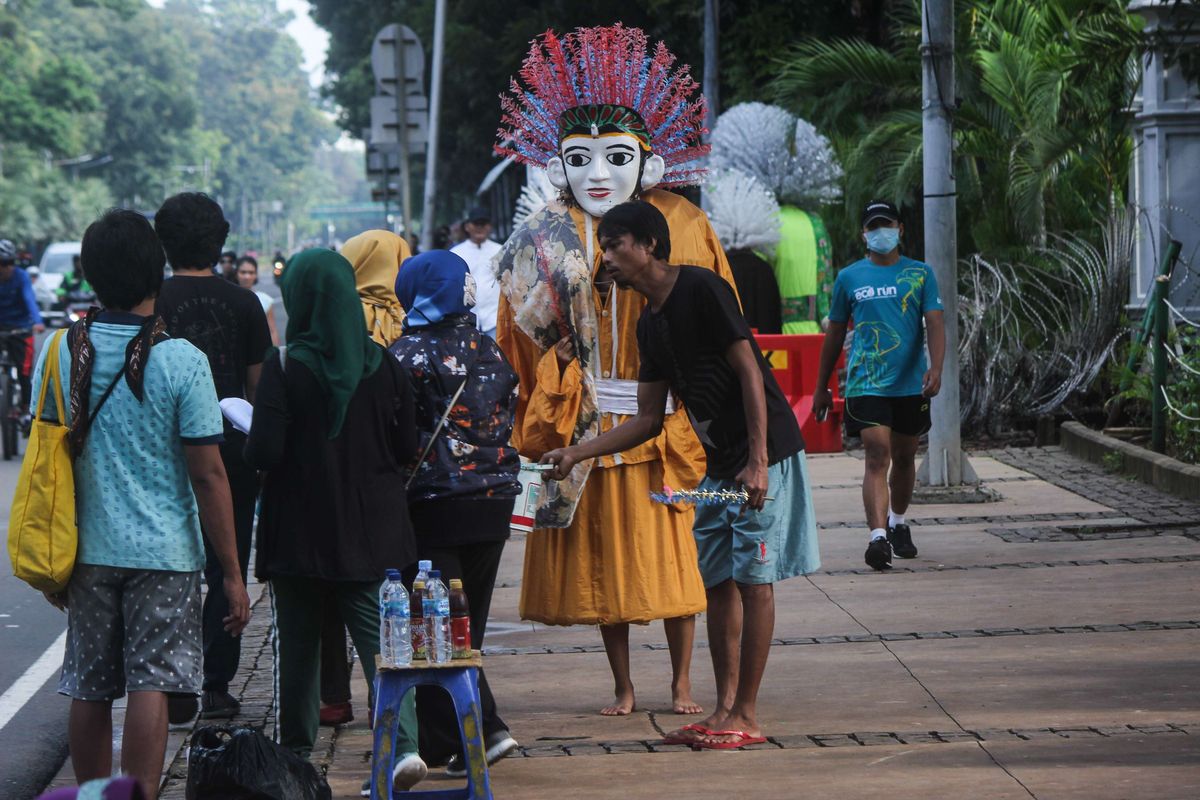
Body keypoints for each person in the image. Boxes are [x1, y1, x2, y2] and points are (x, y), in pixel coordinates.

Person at [494, 24, 733, 717]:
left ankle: (683, 682)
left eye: (617, 156)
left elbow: (719, 321)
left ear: (648, 164)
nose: (597, 173)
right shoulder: (546, 234)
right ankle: (624, 687)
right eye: (579, 158)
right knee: (605, 567)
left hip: (664, 425)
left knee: (675, 561)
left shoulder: (681, 225)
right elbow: (517, 335)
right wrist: (554, 364)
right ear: (558, 165)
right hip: (588, 419)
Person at [541, 200, 819, 749]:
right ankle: (722, 711)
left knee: (753, 581)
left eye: (615, 245)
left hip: (762, 454)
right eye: (604, 248)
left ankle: (748, 715)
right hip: (717, 464)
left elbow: (750, 373)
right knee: (715, 582)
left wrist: (758, 461)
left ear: (648, 244)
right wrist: (579, 452)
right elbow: (647, 419)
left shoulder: (702, 289)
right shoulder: (651, 323)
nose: (608, 259)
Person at [34, 209, 249, 799]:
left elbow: (48, 462)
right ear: (156, 276)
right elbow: (209, 477)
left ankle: (93, 794)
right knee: (151, 682)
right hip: (165, 553)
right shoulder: (183, 361)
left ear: (90, 276)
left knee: (89, 685)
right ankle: (140, 796)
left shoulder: (57, 353)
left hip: (86, 549)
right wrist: (231, 573)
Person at [244, 248, 425, 793]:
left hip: (299, 532)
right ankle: (404, 748)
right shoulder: (384, 365)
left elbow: (264, 453)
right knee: (383, 647)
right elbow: (406, 445)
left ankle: (296, 753)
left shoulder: (283, 367)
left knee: (296, 649)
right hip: (369, 532)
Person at [390, 250, 521, 775]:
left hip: (435, 506)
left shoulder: (406, 355)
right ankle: (448, 743)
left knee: (440, 628)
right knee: (468, 624)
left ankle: (488, 730)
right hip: (493, 504)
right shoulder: (491, 350)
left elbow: (397, 436)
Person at [154, 194, 272, 720]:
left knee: (172, 573)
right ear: (220, 242)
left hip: (163, 454)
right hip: (229, 458)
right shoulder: (245, 304)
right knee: (227, 567)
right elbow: (255, 390)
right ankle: (217, 686)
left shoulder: (150, 299)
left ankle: (173, 685)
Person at [313, 229, 411, 728]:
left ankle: (331, 697)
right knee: (386, 599)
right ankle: (389, 704)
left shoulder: (330, 322)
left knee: (330, 591)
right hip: (385, 483)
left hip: (329, 482)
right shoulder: (407, 320)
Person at [813, 200, 945, 570]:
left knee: (904, 457)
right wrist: (822, 385)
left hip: (910, 385)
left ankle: (898, 522)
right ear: (864, 235)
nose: (879, 232)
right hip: (865, 383)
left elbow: (934, 323)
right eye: (872, 227)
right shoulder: (849, 278)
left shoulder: (920, 274)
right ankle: (877, 538)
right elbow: (835, 333)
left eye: (885, 224)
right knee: (876, 455)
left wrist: (937, 367)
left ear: (900, 229)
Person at [0, 238, 46, 416]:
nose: (4, 268)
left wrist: (38, 321)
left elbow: (30, 300)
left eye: (8, 263)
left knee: (24, 369)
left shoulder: (21, 276)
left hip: (20, 327)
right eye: (1, 264)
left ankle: (27, 408)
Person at [449, 208, 501, 340]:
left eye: (483, 224)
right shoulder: (456, 253)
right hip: (466, 319)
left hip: (494, 318)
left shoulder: (500, 250)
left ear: (489, 226)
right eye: (476, 224)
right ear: (467, 226)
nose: (480, 227)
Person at [234, 256, 279, 346]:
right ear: (236, 274)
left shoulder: (265, 300)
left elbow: (272, 331)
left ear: (256, 275)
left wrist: (274, 353)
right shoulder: (228, 297)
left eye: (251, 273)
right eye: (243, 272)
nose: (247, 276)